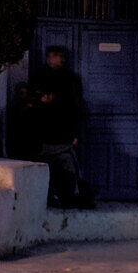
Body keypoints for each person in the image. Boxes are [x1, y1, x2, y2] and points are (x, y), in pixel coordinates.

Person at [27, 46, 92, 208]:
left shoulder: (70, 78)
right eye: (56, 56)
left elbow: (76, 106)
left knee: (66, 162)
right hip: (44, 133)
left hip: (63, 130)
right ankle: (71, 193)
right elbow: (34, 102)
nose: (61, 59)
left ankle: (70, 194)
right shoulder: (39, 77)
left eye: (62, 56)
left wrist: (75, 132)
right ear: (48, 58)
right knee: (63, 160)